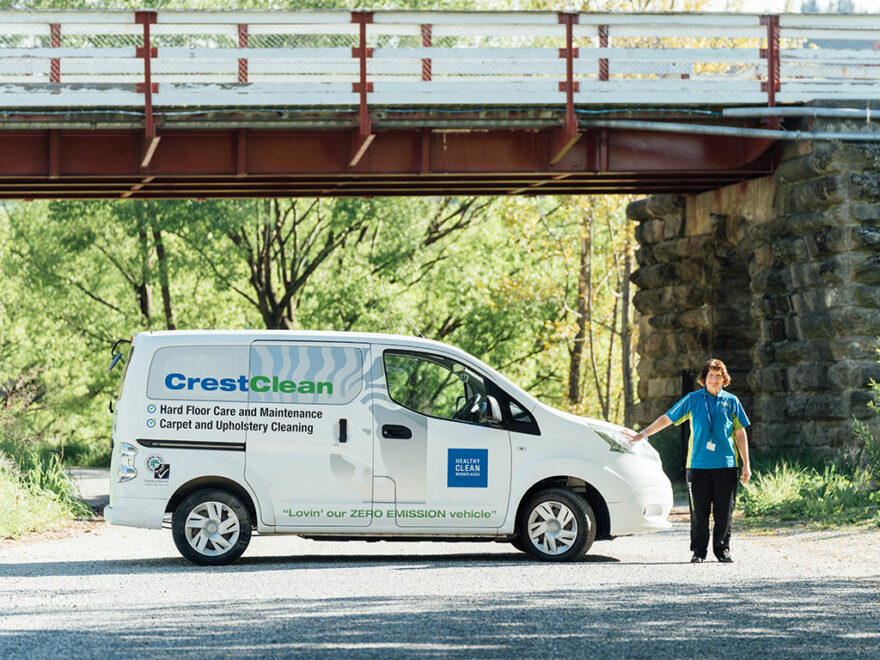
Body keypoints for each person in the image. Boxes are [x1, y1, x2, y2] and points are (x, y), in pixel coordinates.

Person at [629, 358, 751, 564]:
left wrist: (746, 464)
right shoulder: (693, 399)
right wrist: (644, 433)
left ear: (724, 379)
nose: (714, 379)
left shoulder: (731, 401)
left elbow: (740, 434)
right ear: (704, 379)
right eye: (710, 375)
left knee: (724, 511)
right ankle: (699, 552)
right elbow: (667, 418)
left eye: (718, 376)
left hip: (726, 465)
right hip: (697, 466)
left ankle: (722, 550)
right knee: (699, 512)